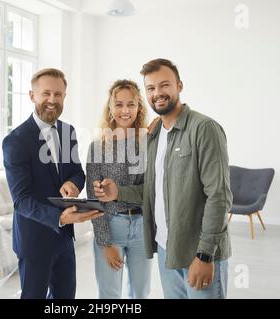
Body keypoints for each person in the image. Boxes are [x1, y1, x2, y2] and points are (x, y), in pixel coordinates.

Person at [94, 59, 232, 299]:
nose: (157, 93)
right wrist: (119, 193)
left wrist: (205, 255)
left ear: (179, 86)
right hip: (168, 252)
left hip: (197, 254)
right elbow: (153, 190)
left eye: (164, 85)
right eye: (151, 88)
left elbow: (219, 197)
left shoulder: (204, 128)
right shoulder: (156, 136)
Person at [3, 68, 103, 299]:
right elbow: (22, 201)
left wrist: (73, 183)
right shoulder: (15, 141)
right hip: (34, 239)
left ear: (64, 97)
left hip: (64, 239)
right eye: (45, 93)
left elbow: (77, 172)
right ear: (32, 96)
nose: (52, 100)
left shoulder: (68, 132)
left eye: (58, 94)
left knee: (65, 298)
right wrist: (59, 217)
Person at [87, 79, 152, 299]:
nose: (125, 110)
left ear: (139, 108)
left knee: (140, 293)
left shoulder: (148, 144)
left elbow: (151, 190)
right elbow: (93, 199)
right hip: (111, 226)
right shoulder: (97, 147)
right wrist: (105, 243)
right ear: (110, 108)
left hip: (142, 229)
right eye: (119, 104)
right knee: (109, 296)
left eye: (131, 104)